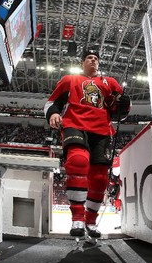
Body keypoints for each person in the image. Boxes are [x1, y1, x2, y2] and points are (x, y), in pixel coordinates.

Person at [44, 50, 131, 239]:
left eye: (96, 59)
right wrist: (53, 113)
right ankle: (77, 218)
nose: (93, 60)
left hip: (102, 130)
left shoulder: (111, 83)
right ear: (82, 63)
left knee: (99, 177)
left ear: (99, 64)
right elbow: (52, 102)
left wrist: (124, 105)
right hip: (74, 124)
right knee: (77, 161)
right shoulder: (70, 79)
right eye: (89, 58)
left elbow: (120, 113)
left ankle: (90, 221)